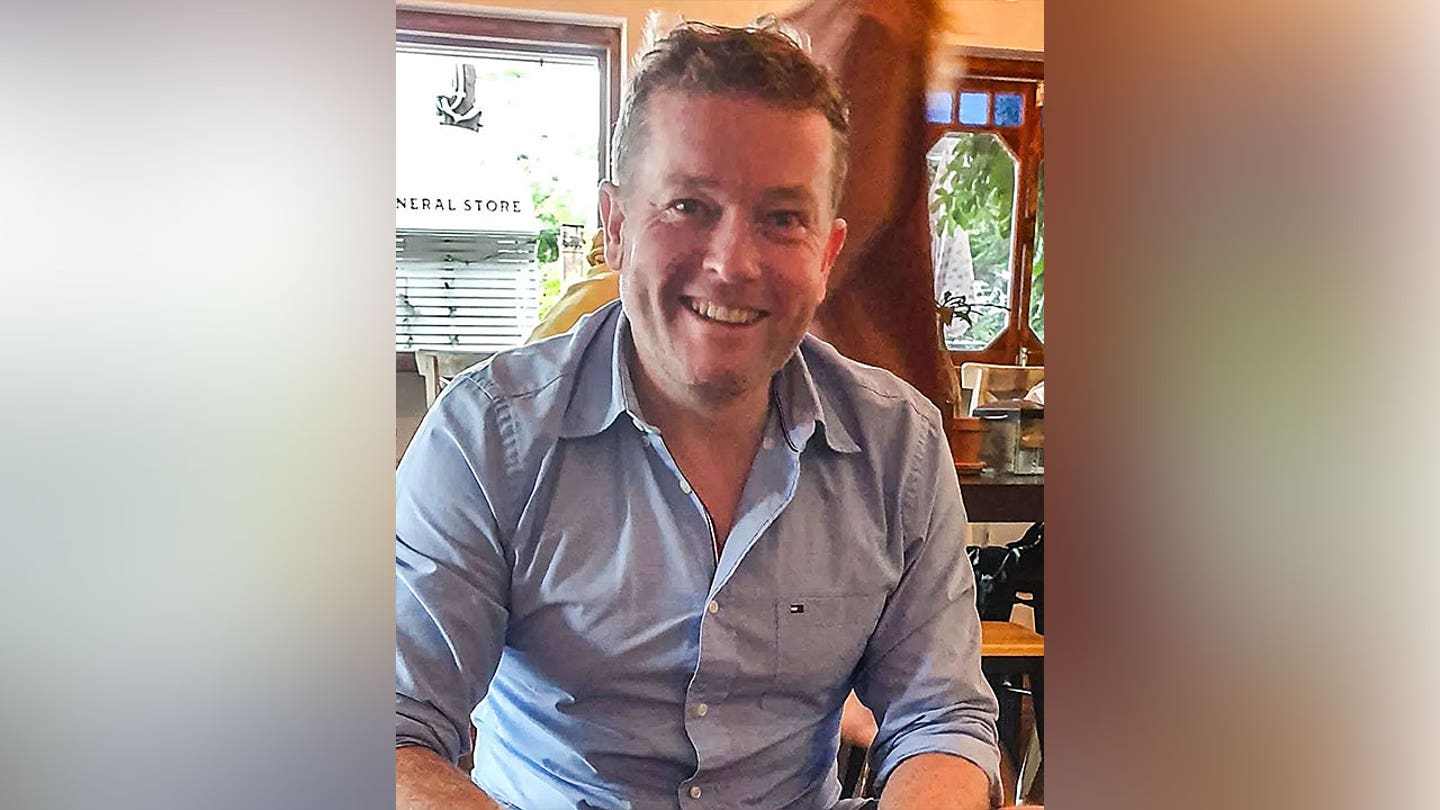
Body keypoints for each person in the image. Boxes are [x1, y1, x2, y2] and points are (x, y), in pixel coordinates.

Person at [396, 21, 1000, 810]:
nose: (732, 263)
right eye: (688, 205)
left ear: (827, 254)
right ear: (615, 228)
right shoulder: (485, 438)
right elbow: (396, 729)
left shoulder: (899, 446)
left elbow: (941, 718)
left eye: (782, 218)